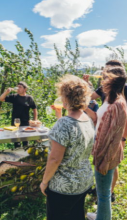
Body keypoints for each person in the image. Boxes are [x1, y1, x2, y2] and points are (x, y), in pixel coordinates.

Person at [40, 75, 95, 220]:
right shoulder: (87, 120)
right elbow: (71, 136)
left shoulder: (64, 124)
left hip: (64, 186)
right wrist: (60, 116)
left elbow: (54, 159)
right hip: (83, 180)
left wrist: (44, 182)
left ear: (65, 98)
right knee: (76, 215)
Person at [83, 59, 127, 202]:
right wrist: (86, 85)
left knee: (112, 162)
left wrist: (123, 137)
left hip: (115, 132)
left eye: (106, 71)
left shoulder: (125, 89)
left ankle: (109, 192)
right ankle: (103, 188)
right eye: (103, 70)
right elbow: (89, 98)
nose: (103, 74)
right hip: (102, 128)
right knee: (106, 161)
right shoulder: (105, 87)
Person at [85, 67, 127, 220]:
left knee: (103, 194)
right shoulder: (109, 100)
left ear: (113, 81)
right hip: (103, 152)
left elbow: (113, 138)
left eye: (105, 79)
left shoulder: (117, 104)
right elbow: (98, 119)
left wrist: (103, 160)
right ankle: (100, 215)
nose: (102, 82)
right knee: (102, 192)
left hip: (106, 155)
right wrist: (84, 108)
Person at [0, 82, 37, 148]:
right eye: (17, 87)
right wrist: (6, 92)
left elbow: (34, 109)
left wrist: (35, 120)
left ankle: (26, 156)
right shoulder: (14, 97)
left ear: (25, 89)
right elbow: (1, 99)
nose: (18, 88)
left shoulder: (29, 98)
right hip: (15, 123)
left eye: (20, 87)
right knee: (16, 143)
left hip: (25, 123)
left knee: (25, 143)